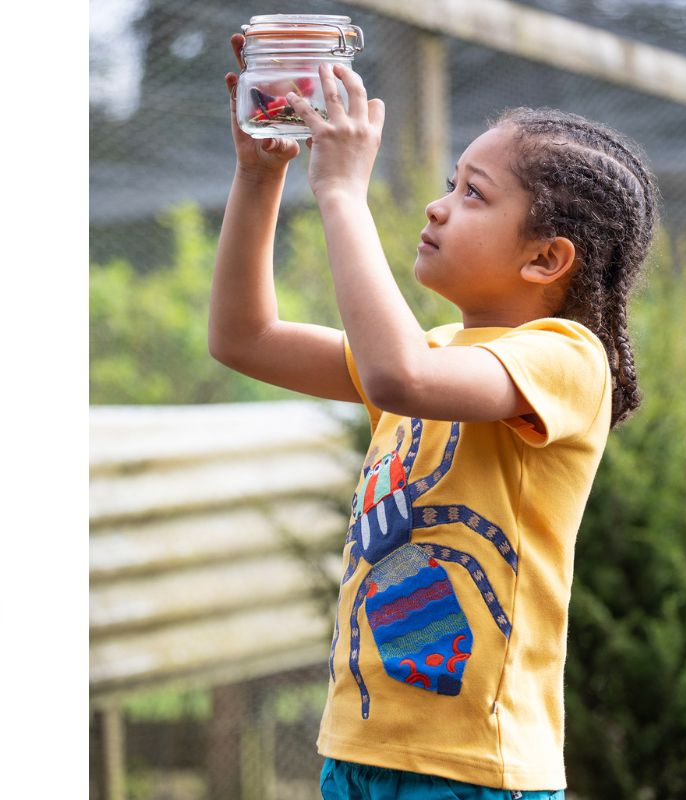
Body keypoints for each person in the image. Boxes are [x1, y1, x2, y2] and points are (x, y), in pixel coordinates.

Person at [210, 32, 658, 800]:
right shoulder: (438, 349)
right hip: (359, 749)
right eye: (453, 183)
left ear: (546, 259)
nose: (438, 205)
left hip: (473, 771)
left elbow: (400, 377)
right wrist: (259, 178)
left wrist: (342, 192)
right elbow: (243, 338)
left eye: (473, 194)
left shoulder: (567, 359)